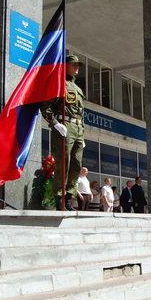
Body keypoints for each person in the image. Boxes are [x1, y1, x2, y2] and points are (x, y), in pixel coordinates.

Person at [40, 54, 86, 211]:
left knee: (76, 164)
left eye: (78, 65)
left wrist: (82, 132)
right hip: (64, 127)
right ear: (65, 65)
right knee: (63, 163)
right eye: (74, 64)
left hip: (78, 128)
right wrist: (55, 124)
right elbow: (45, 107)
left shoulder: (78, 88)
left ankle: (69, 196)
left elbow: (81, 112)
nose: (77, 68)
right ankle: (60, 196)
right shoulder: (59, 84)